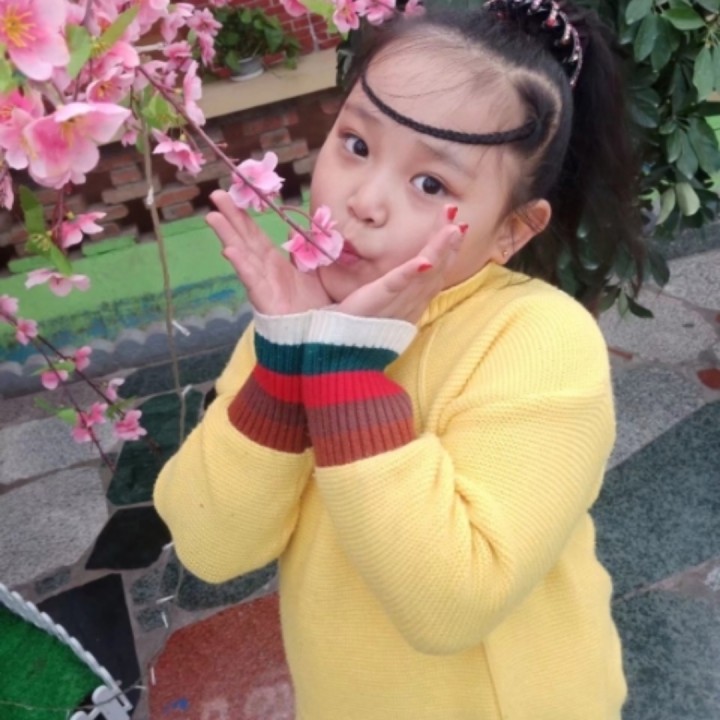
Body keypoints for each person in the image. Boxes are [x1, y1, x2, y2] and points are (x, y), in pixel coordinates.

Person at [154, 1, 643, 718]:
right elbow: (210, 546)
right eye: (356, 144)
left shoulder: (538, 339)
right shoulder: (295, 326)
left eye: (431, 184)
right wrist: (285, 364)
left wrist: (344, 371)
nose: (364, 201)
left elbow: (453, 602)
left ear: (510, 232)